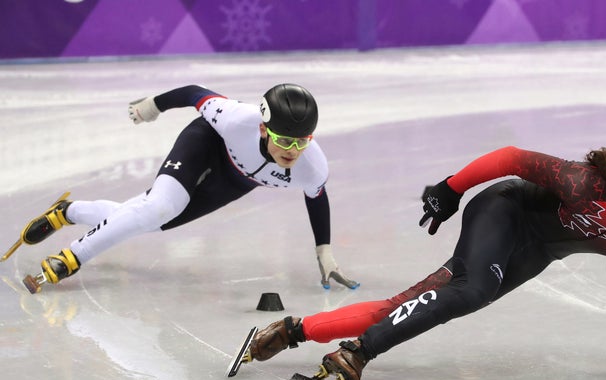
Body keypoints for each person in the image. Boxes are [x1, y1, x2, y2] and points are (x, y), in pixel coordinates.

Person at [240, 131, 606, 380]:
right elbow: (513, 158)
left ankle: (292, 331)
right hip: (504, 211)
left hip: (538, 252)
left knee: (419, 301)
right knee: (471, 291)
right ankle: (357, 352)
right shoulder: (582, 183)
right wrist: (451, 189)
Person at [11, 84, 358, 292]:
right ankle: (70, 259)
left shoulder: (313, 165)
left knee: (149, 220)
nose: (291, 151)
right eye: (284, 140)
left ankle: (68, 212)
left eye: (302, 142)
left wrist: (324, 251)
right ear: (265, 129)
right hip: (205, 143)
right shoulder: (236, 118)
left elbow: (317, 198)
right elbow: (195, 93)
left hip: (234, 181)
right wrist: (153, 106)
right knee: (159, 206)